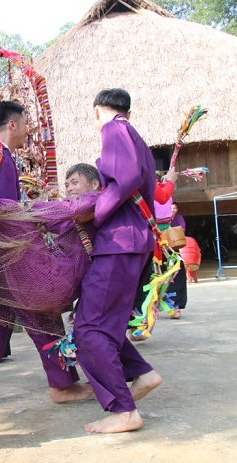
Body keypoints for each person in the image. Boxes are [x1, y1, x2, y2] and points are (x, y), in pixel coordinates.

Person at [0, 101, 93, 406]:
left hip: (6, 250)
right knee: (36, 315)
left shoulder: (7, 159)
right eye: (26, 123)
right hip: (2, 249)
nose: (29, 131)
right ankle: (60, 385)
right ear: (13, 124)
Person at [73, 88, 163, 434]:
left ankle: (124, 411)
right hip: (133, 240)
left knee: (89, 327)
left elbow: (124, 179)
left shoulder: (113, 129)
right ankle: (142, 373)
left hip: (119, 240)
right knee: (106, 322)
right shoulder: (132, 133)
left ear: (98, 112)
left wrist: (95, 214)